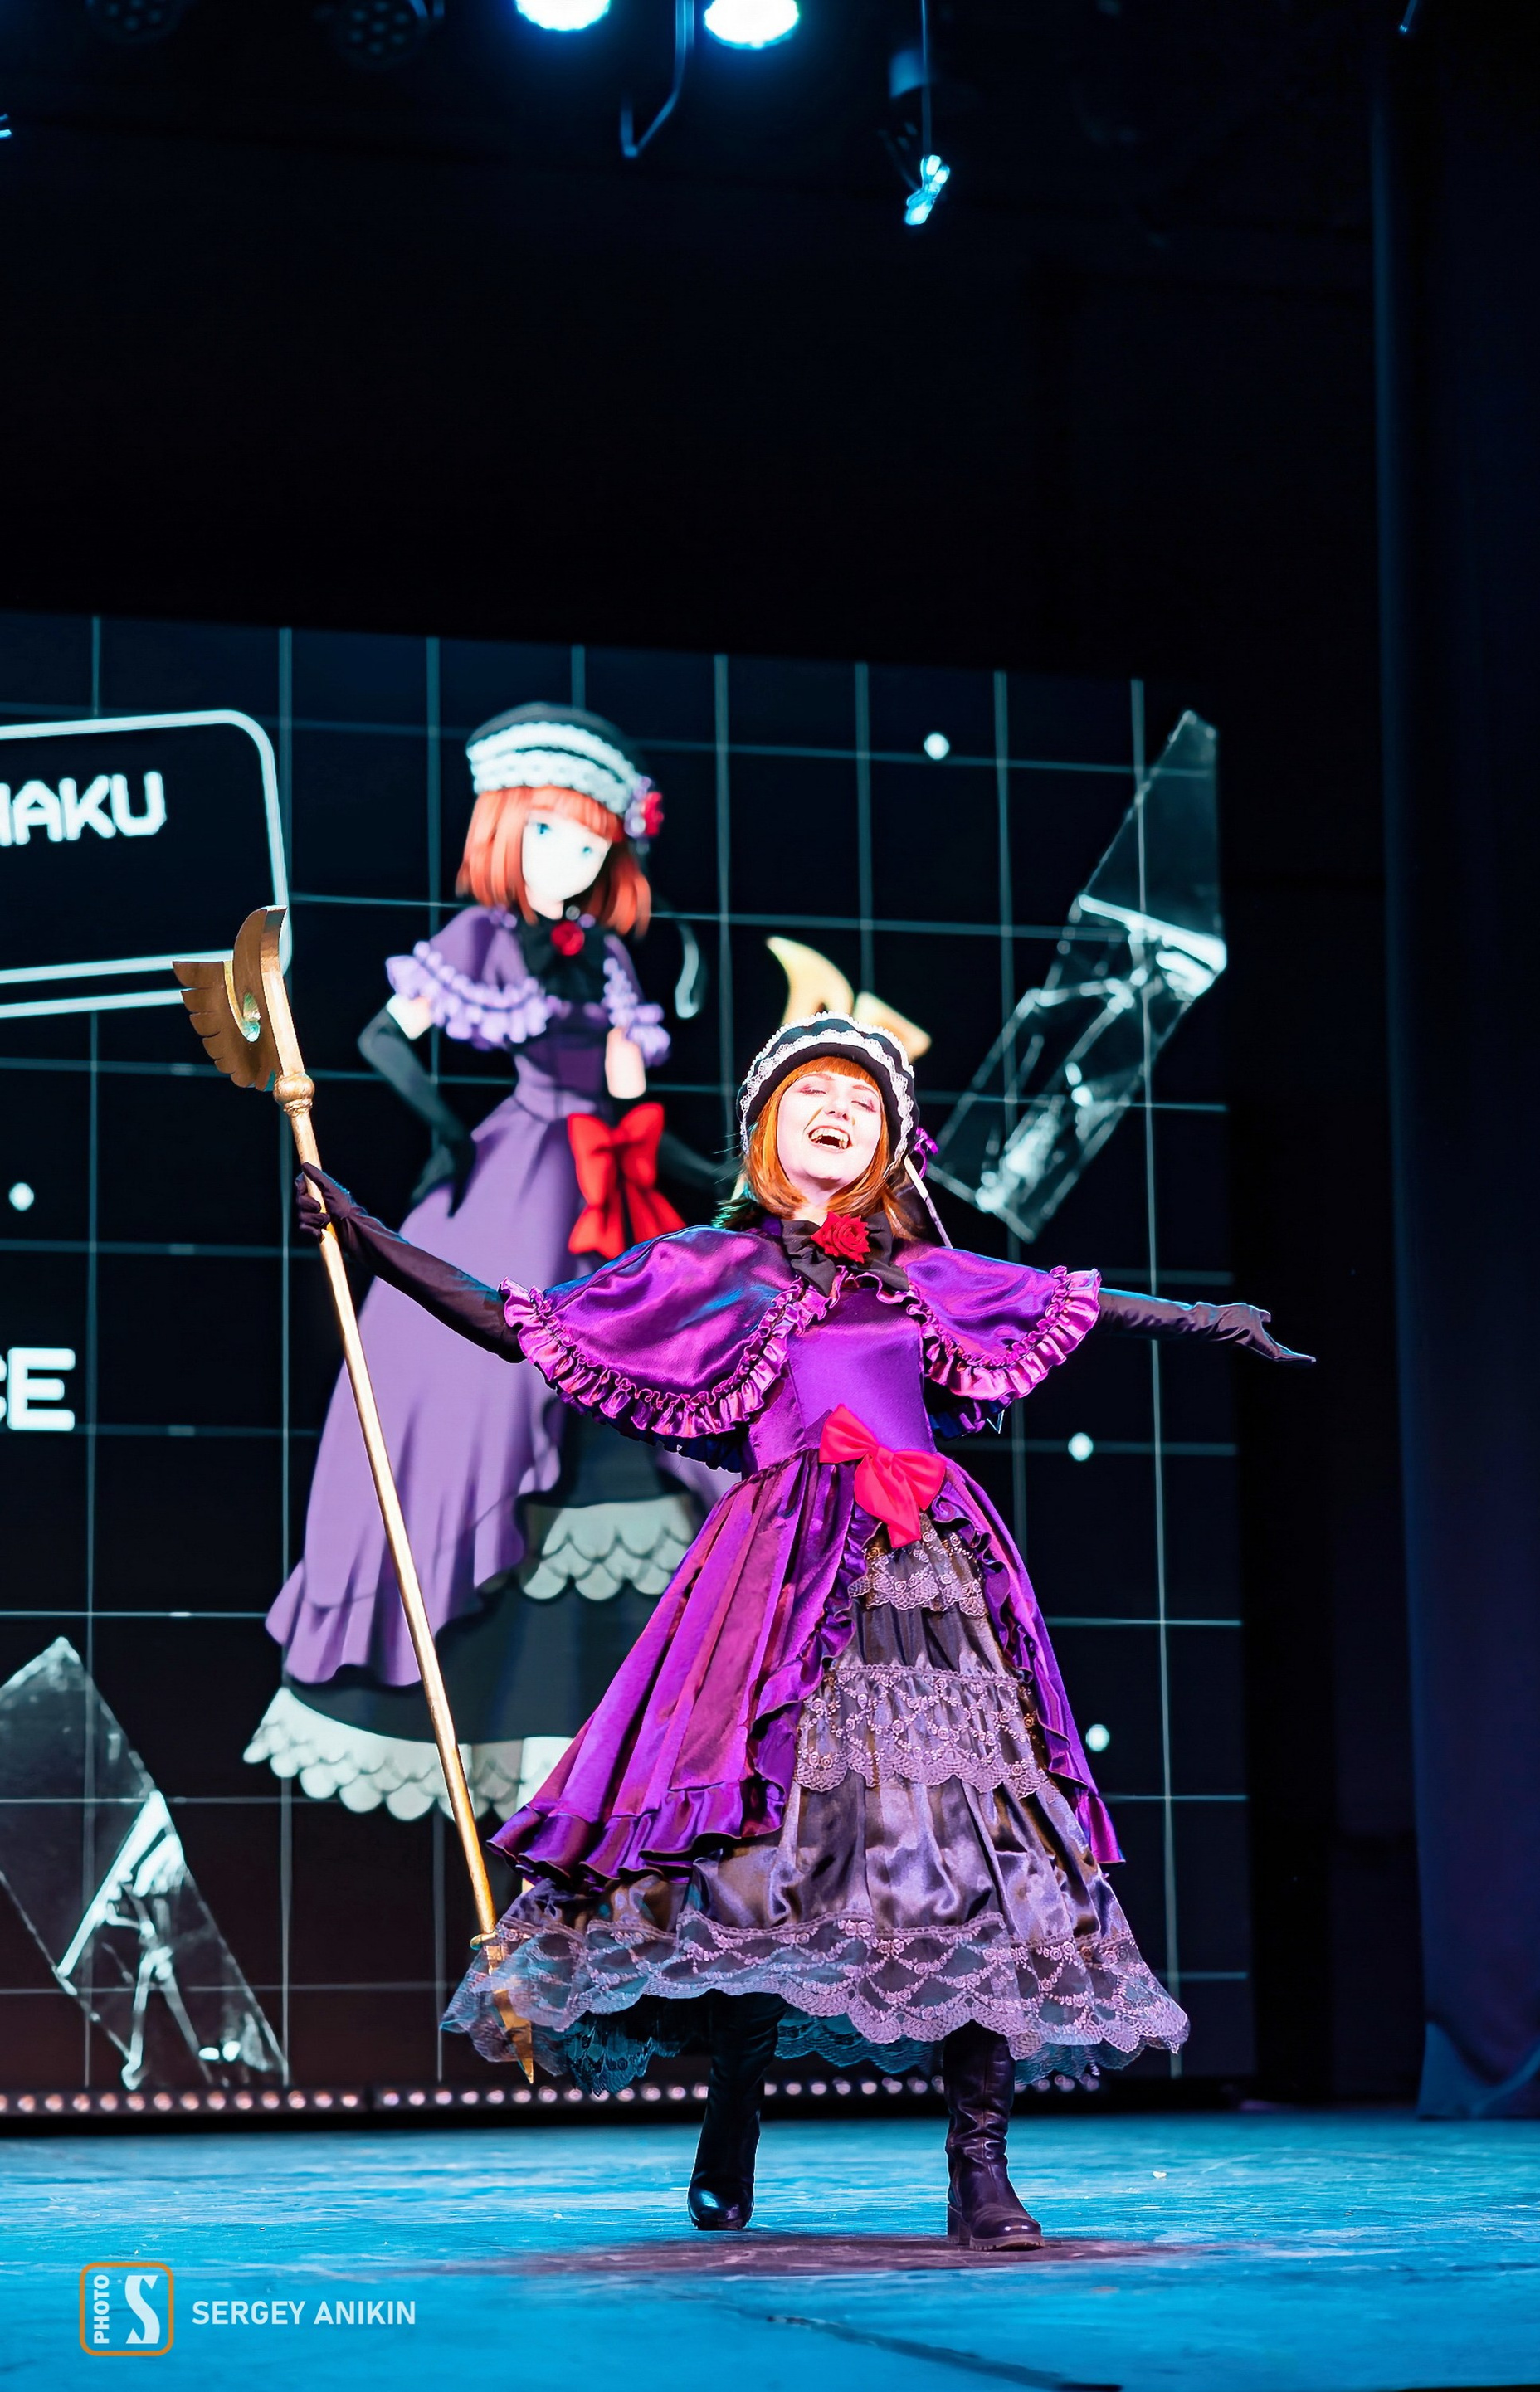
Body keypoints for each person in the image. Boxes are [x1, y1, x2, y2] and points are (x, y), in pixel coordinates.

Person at [295, 1013, 1311, 2250]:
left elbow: (1072, 1301)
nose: (841, 1111)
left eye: (866, 1101)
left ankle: (980, 2169)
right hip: (778, 1579)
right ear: (767, 1127)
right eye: (816, 1093)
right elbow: (522, 1321)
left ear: (891, 1143)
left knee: (978, 1848)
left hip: (927, 1576)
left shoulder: (921, 1273)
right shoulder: (709, 1268)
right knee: (762, 1853)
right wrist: (368, 1235)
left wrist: (1210, 1318)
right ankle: (735, 2103)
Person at [251, 703, 724, 1826]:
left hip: (615, 1185)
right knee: (480, 1387)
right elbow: (381, 1036)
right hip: (516, 1182)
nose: (576, 861)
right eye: (553, 834)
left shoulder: (608, 956)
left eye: (595, 842)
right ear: (506, 829)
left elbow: (628, 1096)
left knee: (660, 1385)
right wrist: (444, 1132)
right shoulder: (479, 938)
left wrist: (705, 1170)